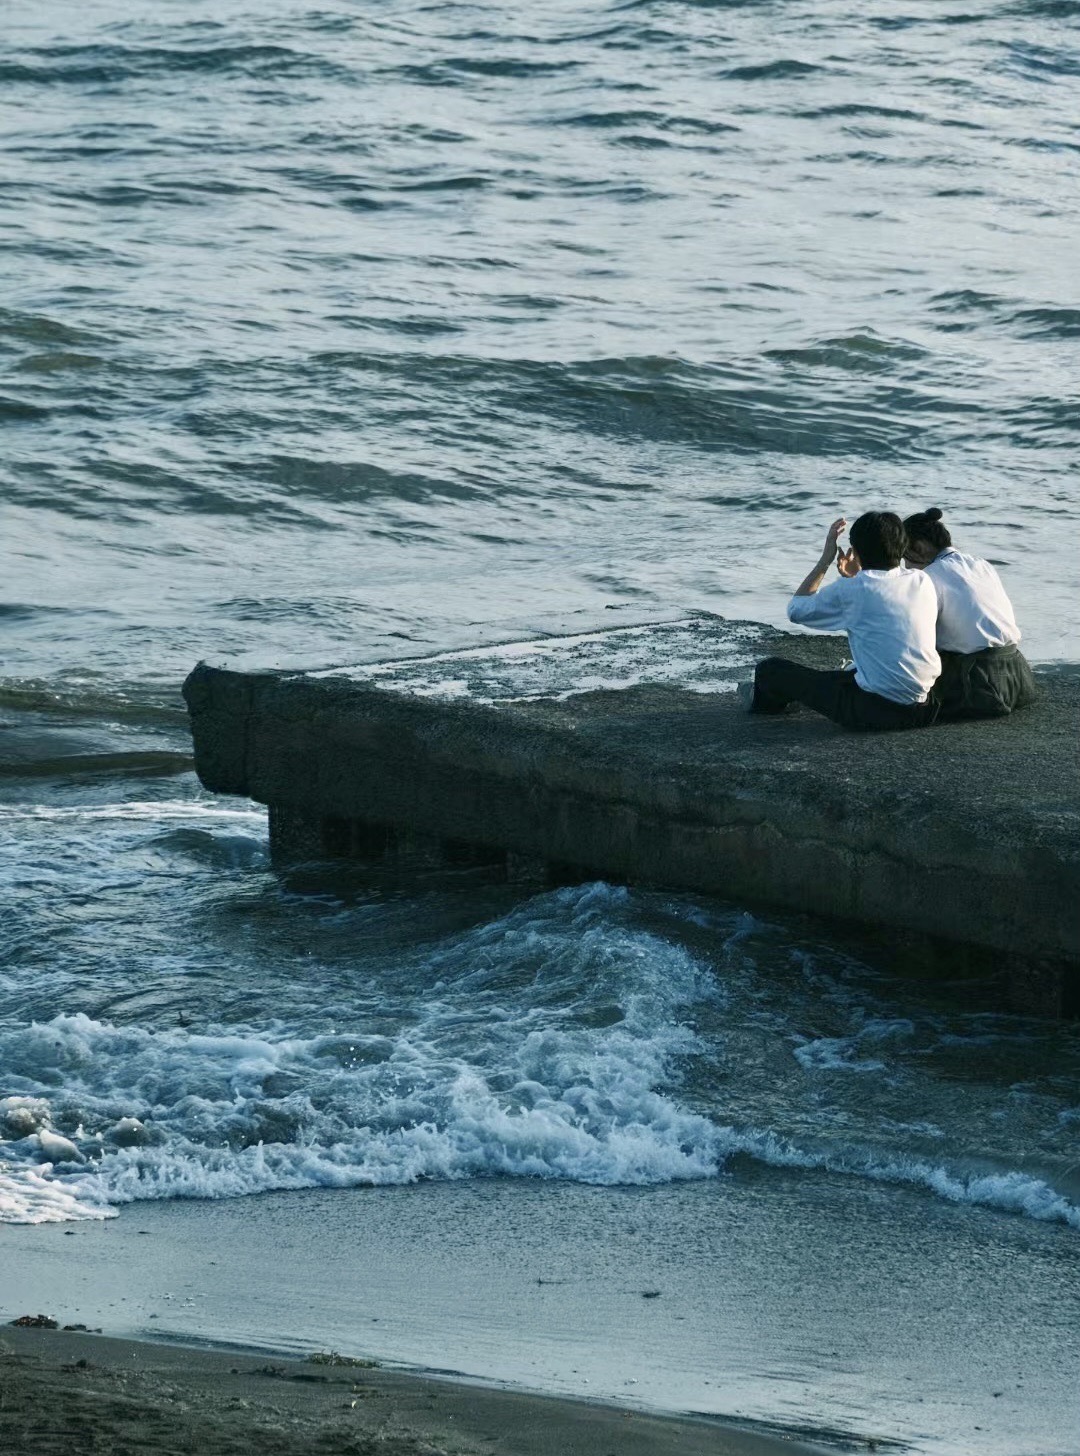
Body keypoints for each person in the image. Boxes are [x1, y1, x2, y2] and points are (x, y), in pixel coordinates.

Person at [747, 512, 941, 731]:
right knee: (851, 671)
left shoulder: (854, 590)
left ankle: (766, 713)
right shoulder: (921, 580)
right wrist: (855, 577)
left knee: (769, 670)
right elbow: (878, 596)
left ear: (856, 551)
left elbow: (796, 610)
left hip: (877, 712)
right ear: (903, 546)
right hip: (925, 707)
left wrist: (825, 560)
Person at [902, 507, 1037, 719]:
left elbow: (918, 638)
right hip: (1018, 676)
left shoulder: (929, 576)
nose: (905, 565)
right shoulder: (980, 564)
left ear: (918, 548)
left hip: (977, 682)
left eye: (904, 557)